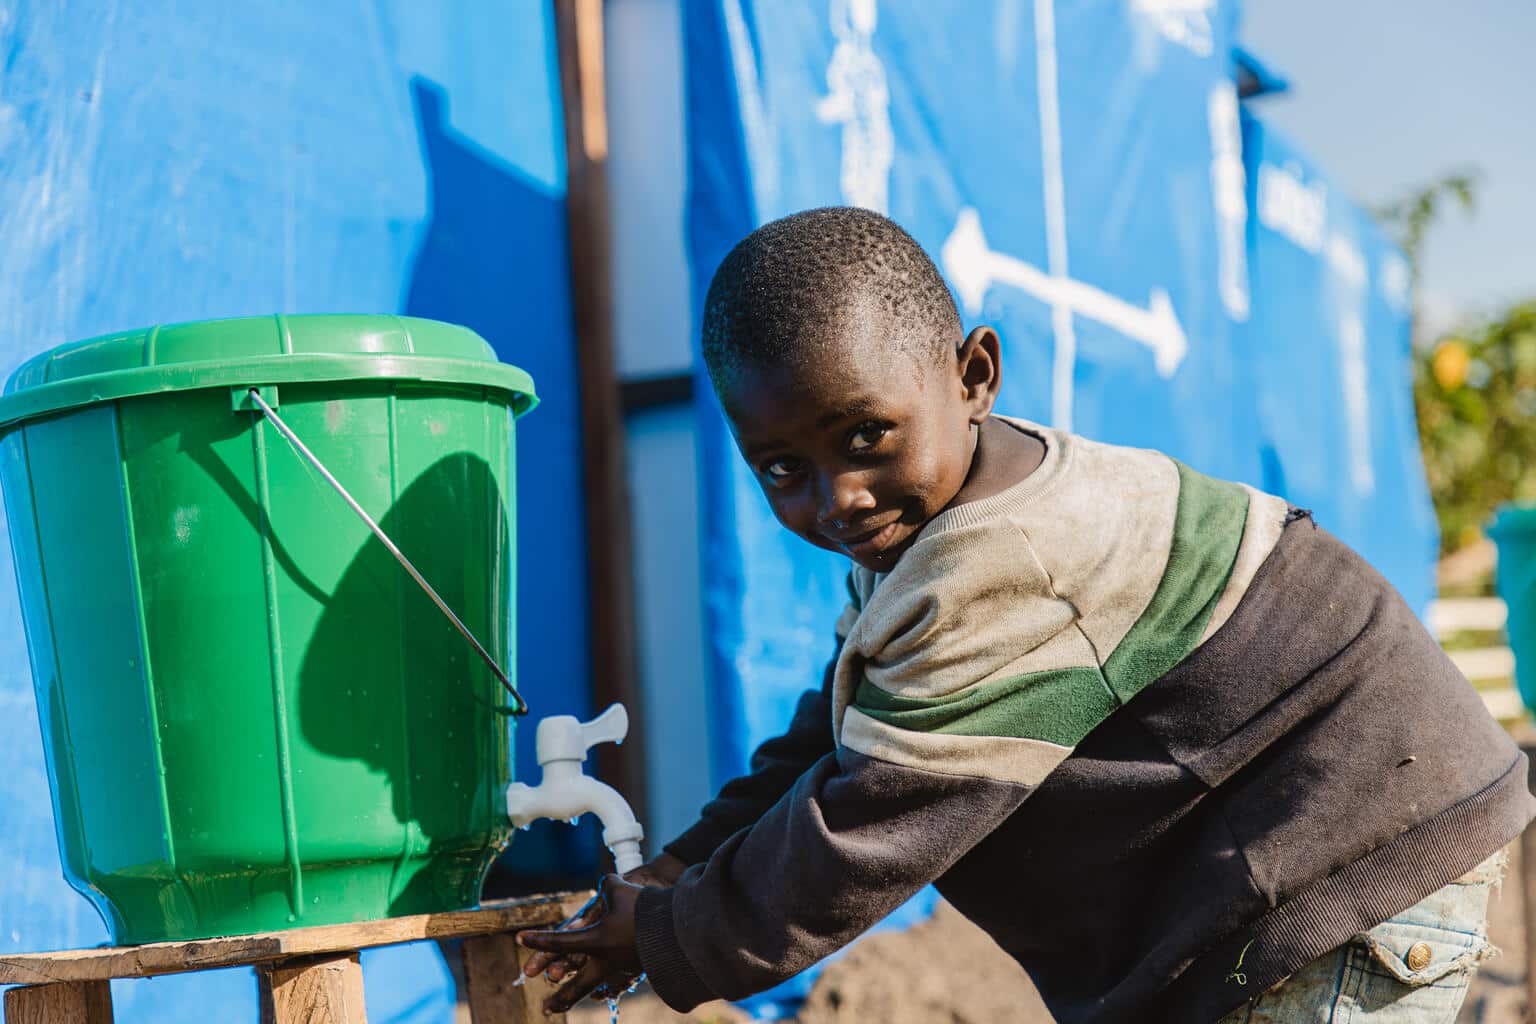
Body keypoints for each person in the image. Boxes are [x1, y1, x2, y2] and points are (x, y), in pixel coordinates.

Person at [517, 207, 1534, 1022]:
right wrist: (681, 867)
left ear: (974, 376)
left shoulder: (1008, 560)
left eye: (866, 436)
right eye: (783, 468)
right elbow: (833, 737)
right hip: (1299, 842)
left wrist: (668, 932)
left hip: (1349, 854)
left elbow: (864, 832)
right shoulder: (931, 525)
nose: (839, 498)